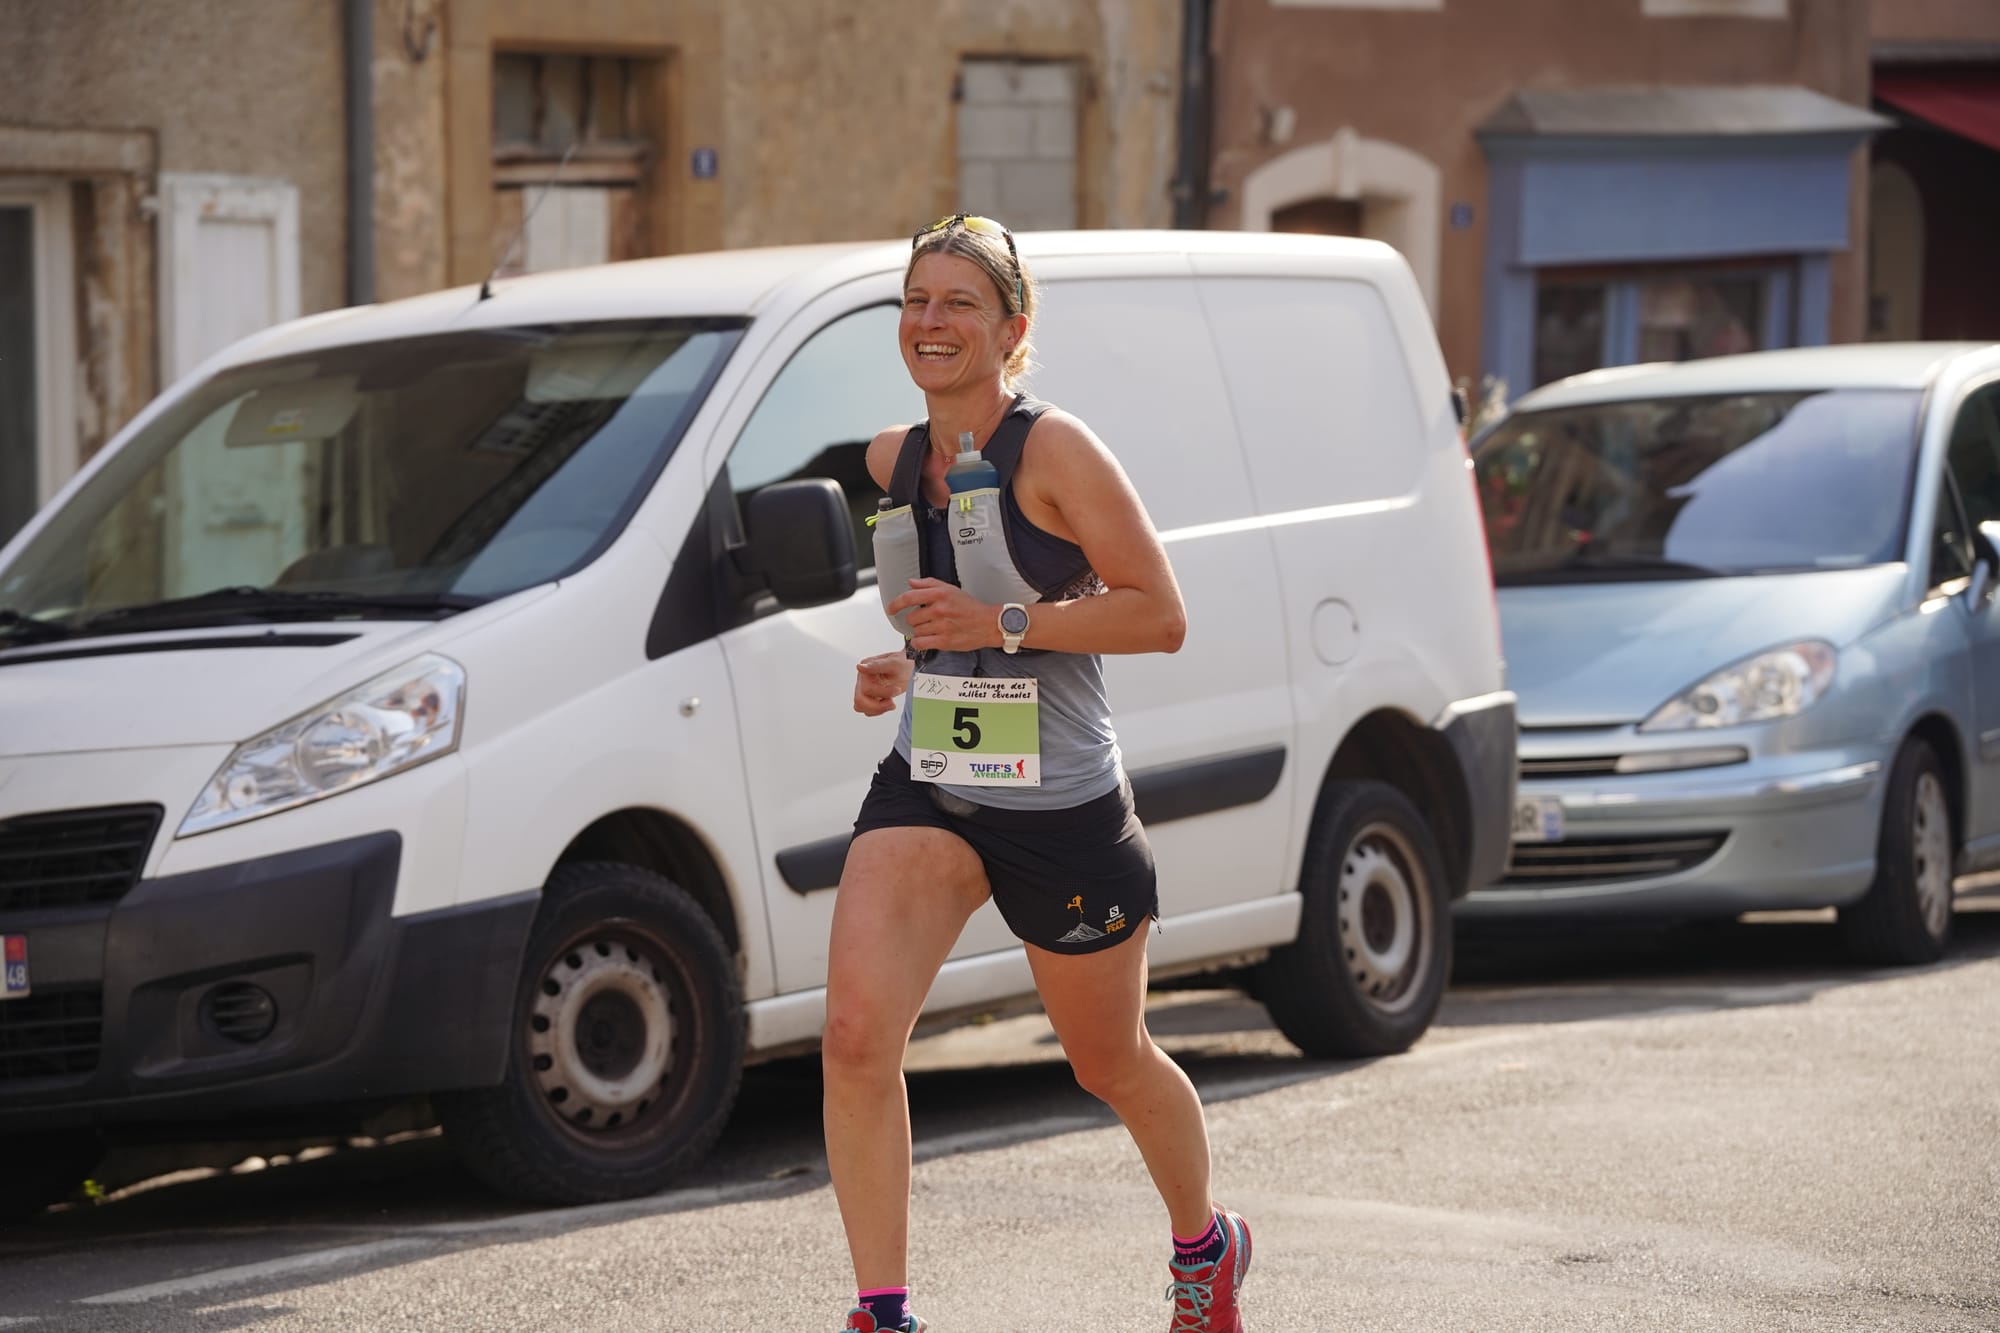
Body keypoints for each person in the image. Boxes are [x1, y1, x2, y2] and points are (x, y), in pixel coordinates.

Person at [823, 213, 1252, 1333]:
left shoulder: (1056, 452)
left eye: (959, 304)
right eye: (916, 300)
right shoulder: (893, 461)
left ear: (1011, 330)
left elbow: (1160, 615)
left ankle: (1205, 1245)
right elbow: (941, 618)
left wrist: (1001, 623)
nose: (930, 321)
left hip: (1059, 804)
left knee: (1108, 1061)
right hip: (932, 782)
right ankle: (883, 1313)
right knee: (856, 1038)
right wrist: (904, 662)